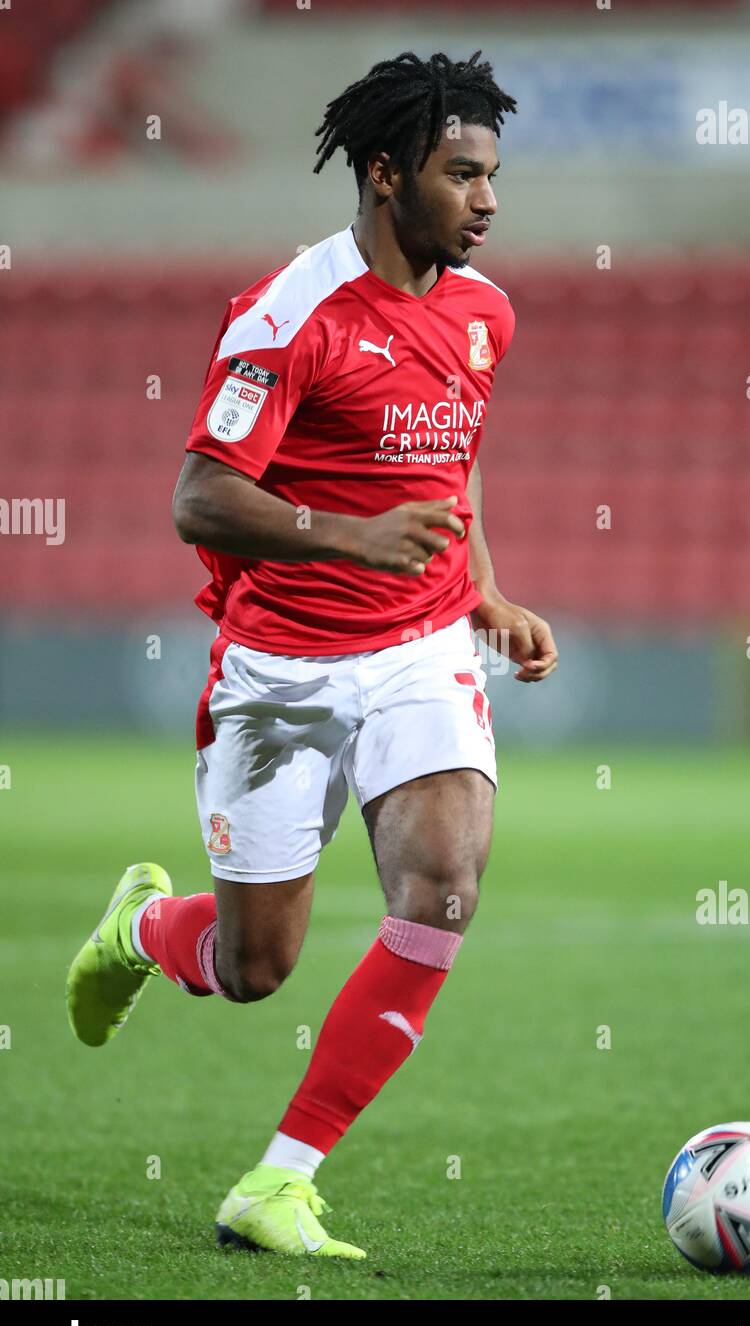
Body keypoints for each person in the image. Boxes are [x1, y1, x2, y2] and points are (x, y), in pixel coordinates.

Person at [67, 49, 558, 1259]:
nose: (486, 200)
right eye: (460, 174)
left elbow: (452, 457)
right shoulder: (290, 313)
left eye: (493, 175)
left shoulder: (482, 312)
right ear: (385, 173)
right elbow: (199, 496)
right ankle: (140, 930)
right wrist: (350, 533)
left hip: (420, 649)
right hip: (279, 673)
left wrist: (482, 588)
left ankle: (277, 1182)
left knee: (442, 883)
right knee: (254, 968)